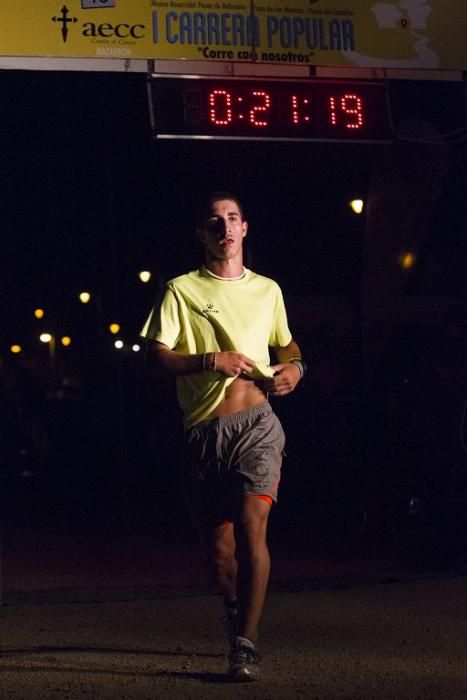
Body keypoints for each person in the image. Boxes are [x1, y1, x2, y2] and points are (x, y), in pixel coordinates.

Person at [141, 191, 305, 682]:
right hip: (203, 430)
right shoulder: (180, 290)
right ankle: (234, 612)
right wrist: (210, 361)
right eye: (214, 222)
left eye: (232, 219)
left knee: (254, 523)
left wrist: (296, 367)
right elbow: (156, 355)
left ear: (245, 228)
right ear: (202, 234)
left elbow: (286, 341)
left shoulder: (267, 289)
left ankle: (246, 643)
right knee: (219, 554)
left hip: (257, 422)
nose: (224, 228)